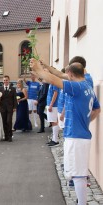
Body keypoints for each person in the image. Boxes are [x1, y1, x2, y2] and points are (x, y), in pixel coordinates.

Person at [30, 59, 100, 205]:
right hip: (79, 135)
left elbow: (55, 80)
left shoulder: (77, 87)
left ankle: (82, 203)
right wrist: (84, 122)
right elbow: (97, 110)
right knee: (76, 172)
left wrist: (39, 69)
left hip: (76, 137)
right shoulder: (86, 84)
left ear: (70, 74)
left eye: (66, 73)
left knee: (78, 174)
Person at [0, 75, 17, 142]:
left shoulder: (13, 89)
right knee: (4, 122)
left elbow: (14, 99)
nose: (5, 81)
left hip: (10, 108)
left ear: (9, 80)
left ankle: (10, 136)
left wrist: (15, 107)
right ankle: (6, 136)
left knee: (9, 121)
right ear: (3, 81)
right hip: (2, 108)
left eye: (6, 80)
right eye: (4, 80)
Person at [46, 81, 60, 147]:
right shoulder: (51, 82)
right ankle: (54, 139)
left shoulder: (54, 83)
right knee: (52, 122)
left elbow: (55, 93)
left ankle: (55, 140)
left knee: (54, 122)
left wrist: (51, 104)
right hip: (51, 104)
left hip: (53, 105)